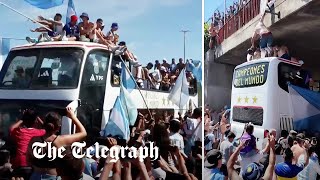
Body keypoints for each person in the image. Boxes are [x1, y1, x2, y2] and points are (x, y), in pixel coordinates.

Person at [27, 107, 87, 179]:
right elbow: (83, 132)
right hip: (53, 176)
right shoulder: (62, 140)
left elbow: (28, 160)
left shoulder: (34, 140)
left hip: (35, 176)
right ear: (58, 127)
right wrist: (72, 116)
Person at [10, 109, 45, 180]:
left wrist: (22, 119)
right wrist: (37, 117)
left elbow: (12, 128)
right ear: (35, 121)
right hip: (33, 164)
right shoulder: (39, 132)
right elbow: (47, 129)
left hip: (20, 164)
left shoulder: (20, 132)